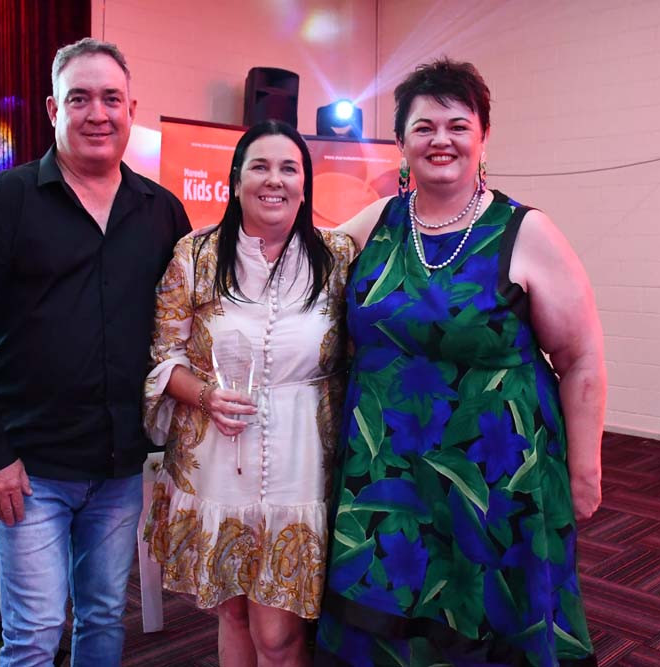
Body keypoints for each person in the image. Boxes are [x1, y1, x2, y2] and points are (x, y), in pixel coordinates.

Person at [315, 58, 605, 666]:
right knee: (392, 614)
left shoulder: (525, 231)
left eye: (457, 124)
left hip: (493, 477)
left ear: (482, 137)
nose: (440, 139)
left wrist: (585, 470)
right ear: (402, 142)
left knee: (486, 619)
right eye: (423, 127)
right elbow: (296, 272)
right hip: (386, 472)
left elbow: (580, 358)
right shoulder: (380, 223)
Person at [0, 38, 191, 666]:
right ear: (54, 108)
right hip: (30, 469)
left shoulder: (162, 213)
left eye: (111, 99)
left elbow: (186, 326)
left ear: (132, 107)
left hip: (119, 466)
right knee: (34, 633)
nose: (97, 114)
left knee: (104, 618)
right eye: (80, 98)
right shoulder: (3, 202)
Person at [142, 120, 356, 667]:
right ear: (236, 179)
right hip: (214, 456)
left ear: (305, 184)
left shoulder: (336, 257)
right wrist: (204, 395)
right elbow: (164, 356)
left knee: (280, 635)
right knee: (232, 613)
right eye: (260, 166)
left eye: (290, 168)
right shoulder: (195, 255)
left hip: (301, 459)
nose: (275, 180)